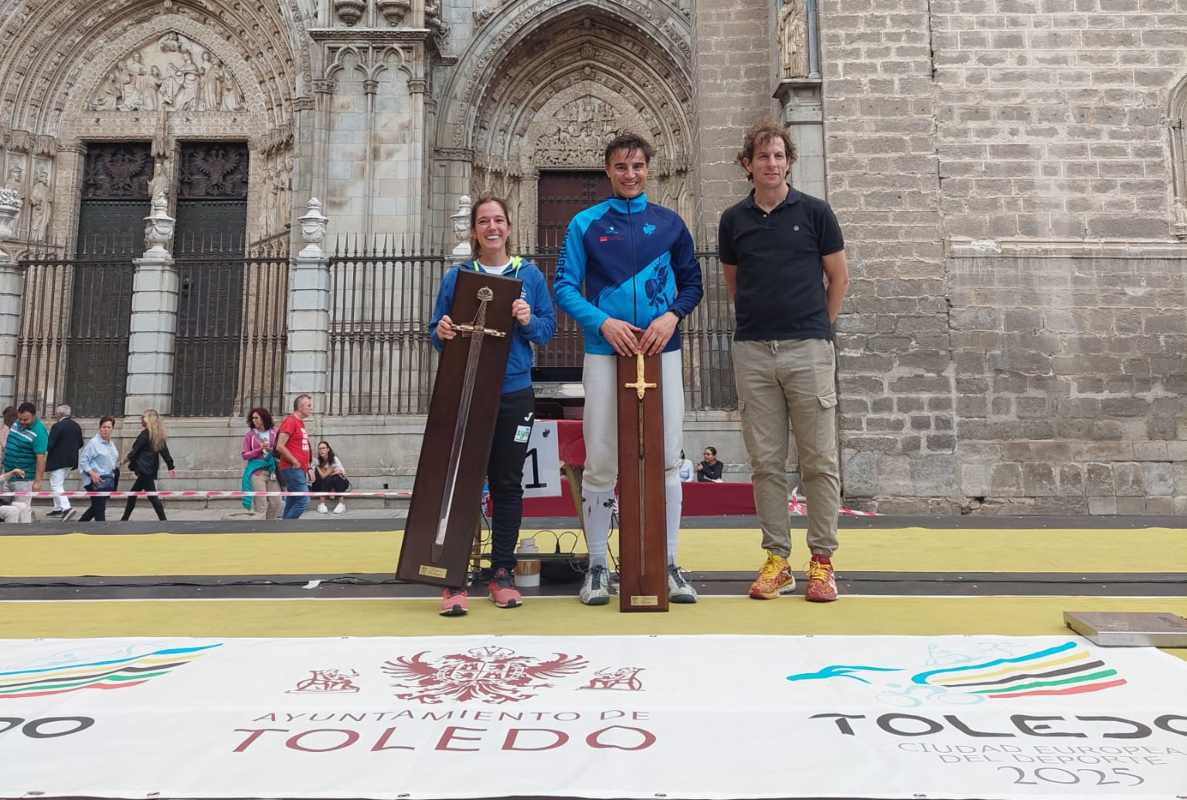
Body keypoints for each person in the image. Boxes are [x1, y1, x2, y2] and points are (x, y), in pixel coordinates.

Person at [554, 133, 703, 606]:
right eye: (621, 166)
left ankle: (670, 563)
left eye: (638, 166)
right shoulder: (585, 224)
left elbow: (693, 284)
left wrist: (670, 315)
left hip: (663, 351)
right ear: (608, 170)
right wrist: (603, 322)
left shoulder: (671, 224)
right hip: (604, 352)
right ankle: (597, 565)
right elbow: (564, 287)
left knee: (665, 457)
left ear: (648, 169)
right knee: (601, 459)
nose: (631, 174)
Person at [719, 119, 850, 603]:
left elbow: (838, 278)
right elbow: (735, 284)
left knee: (819, 461)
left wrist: (820, 329)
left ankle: (822, 561)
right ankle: (777, 559)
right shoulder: (734, 221)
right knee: (766, 464)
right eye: (762, 157)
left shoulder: (816, 213)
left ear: (789, 162)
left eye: (779, 156)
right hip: (754, 351)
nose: (771, 164)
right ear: (747, 165)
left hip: (808, 350)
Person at [430, 193, 556, 616]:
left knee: (506, 484)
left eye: (498, 220)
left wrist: (526, 318)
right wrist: (443, 330)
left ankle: (501, 572)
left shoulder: (531, 277)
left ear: (508, 227)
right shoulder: (458, 277)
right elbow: (436, 332)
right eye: (484, 221)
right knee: (462, 484)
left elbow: (547, 331)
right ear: (475, 230)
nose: (492, 228)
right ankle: (455, 578)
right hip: (466, 391)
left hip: (514, 391)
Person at [120, 409, 176, 521]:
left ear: (149, 420)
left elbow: (135, 451)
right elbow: (165, 452)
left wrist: (123, 462)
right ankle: (124, 519)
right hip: (149, 470)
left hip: (144, 470)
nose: (141, 419)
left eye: (143, 417)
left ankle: (164, 521)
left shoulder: (145, 435)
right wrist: (171, 466)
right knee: (134, 494)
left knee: (152, 497)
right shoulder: (157, 435)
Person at [275, 394, 314, 519]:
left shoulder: (300, 423)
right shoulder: (290, 421)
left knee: (292, 500)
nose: (311, 408)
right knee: (303, 500)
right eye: (309, 405)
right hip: (292, 468)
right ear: (300, 407)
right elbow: (280, 446)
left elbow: (302, 448)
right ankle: (287, 526)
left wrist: (307, 467)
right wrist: (294, 461)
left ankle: (284, 531)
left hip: (299, 469)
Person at [3, 402, 48, 505]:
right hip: (7, 475)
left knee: (20, 509)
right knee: (4, 509)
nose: (22, 422)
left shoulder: (39, 432)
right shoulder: (16, 423)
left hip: (24, 480)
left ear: (34, 416)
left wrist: (37, 482)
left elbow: (41, 458)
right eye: (20, 419)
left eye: (26, 420)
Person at [240, 407, 280, 519]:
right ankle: (258, 530)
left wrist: (271, 450)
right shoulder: (250, 435)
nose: (254, 420)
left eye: (257, 418)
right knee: (261, 505)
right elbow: (245, 455)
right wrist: (259, 449)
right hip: (257, 473)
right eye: (252, 418)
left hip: (272, 471)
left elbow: (280, 450)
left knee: (276, 502)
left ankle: (269, 527)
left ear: (264, 418)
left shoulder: (275, 432)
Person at [46, 404, 83, 520]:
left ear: (60, 414)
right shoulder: (76, 426)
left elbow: (50, 444)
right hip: (71, 460)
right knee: (58, 483)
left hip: (58, 460)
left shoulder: (57, 426)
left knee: (56, 484)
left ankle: (67, 508)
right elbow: (81, 443)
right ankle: (57, 508)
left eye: (56, 413)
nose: (55, 415)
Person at [79, 416, 119, 522]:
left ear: (112, 429)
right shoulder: (94, 443)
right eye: (103, 427)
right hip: (95, 481)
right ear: (99, 428)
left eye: (108, 427)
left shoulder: (111, 443)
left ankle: (80, 525)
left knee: (96, 507)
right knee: (100, 508)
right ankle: (101, 531)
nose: (106, 429)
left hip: (108, 480)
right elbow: (83, 460)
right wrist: (92, 473)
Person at [311, 441, 349, 514]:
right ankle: (322, 504)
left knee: (335, 477)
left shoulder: (333, 459)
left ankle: (341, 504)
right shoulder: (319, 460)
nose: (321, 450)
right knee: (322, 476)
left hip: (341, 481)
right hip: (327, 482)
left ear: (328, 449)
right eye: (320, 449)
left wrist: (318, 466)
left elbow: (324, 475)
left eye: (323, 448)